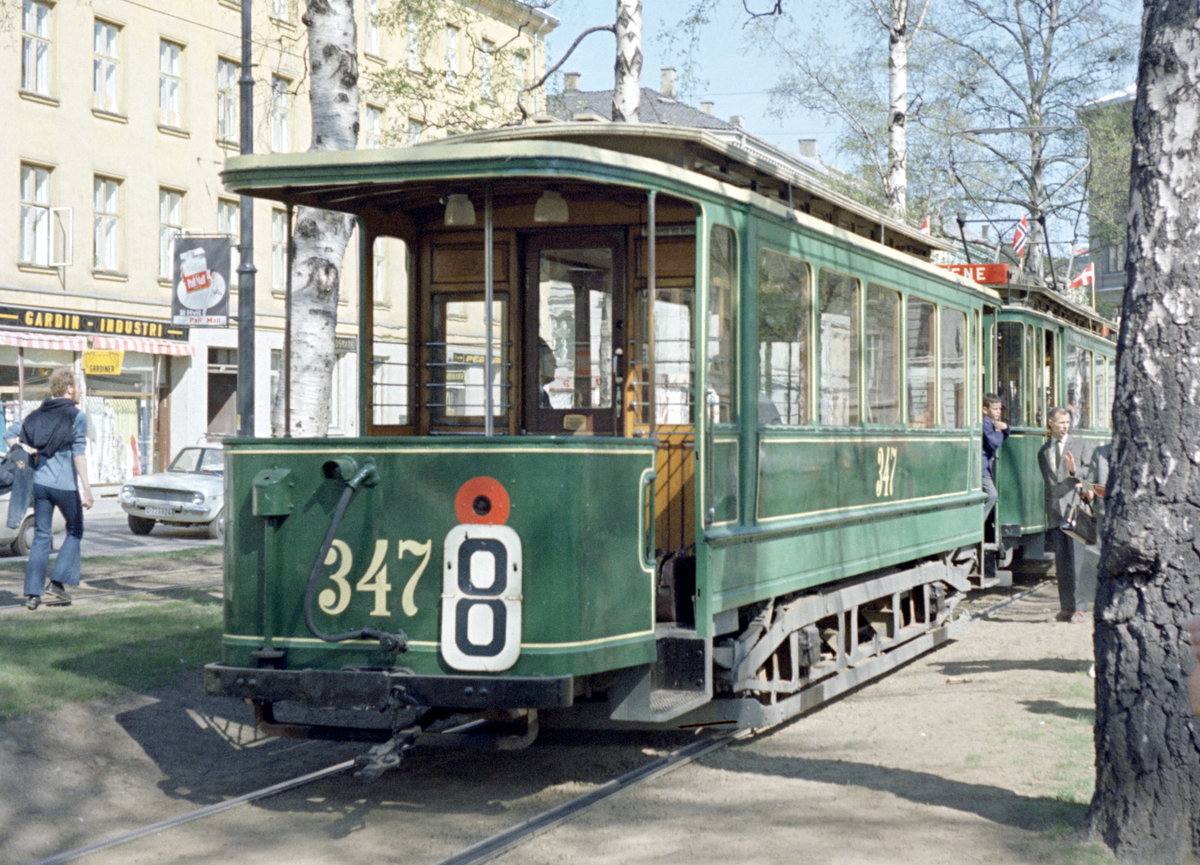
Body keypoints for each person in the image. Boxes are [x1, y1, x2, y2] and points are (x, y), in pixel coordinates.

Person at [5, 368, 94, 610]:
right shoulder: (77, 416)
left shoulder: (37, 415)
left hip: (40, 485)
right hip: (65, 486)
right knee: (75, 529)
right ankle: (57, 582)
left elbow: (10, 435)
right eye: (78, 385)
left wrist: (25, 452)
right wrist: (87, 488)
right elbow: (78, 454)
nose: (81, 390)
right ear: (69, 389)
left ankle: (33, 595)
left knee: (42, 537)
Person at [1037, 406, 1094, 623]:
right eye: (1060, 423)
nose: (1065, 426)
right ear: (1050, 423)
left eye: (1067, 422)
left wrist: (1074, 472)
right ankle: (1066, 608)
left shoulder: (1081, 446)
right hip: (1055, 514)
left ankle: (1080, 608)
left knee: (1078, 562)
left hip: (1076, 510)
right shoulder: (1043, 452)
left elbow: (1089, 478)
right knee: (1062, 563)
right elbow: (1049, 484)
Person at [981, 393, 1010, 524]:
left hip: (985, 467)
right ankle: (977, 525)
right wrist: (999, 431)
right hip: (982, 468)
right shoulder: (985, 422)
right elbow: (994, 443)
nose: (998, 412)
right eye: (995, 409)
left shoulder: (991, 422)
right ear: (985, 409)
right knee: (992, 495)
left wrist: (1005, 429)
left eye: (1000, 409)